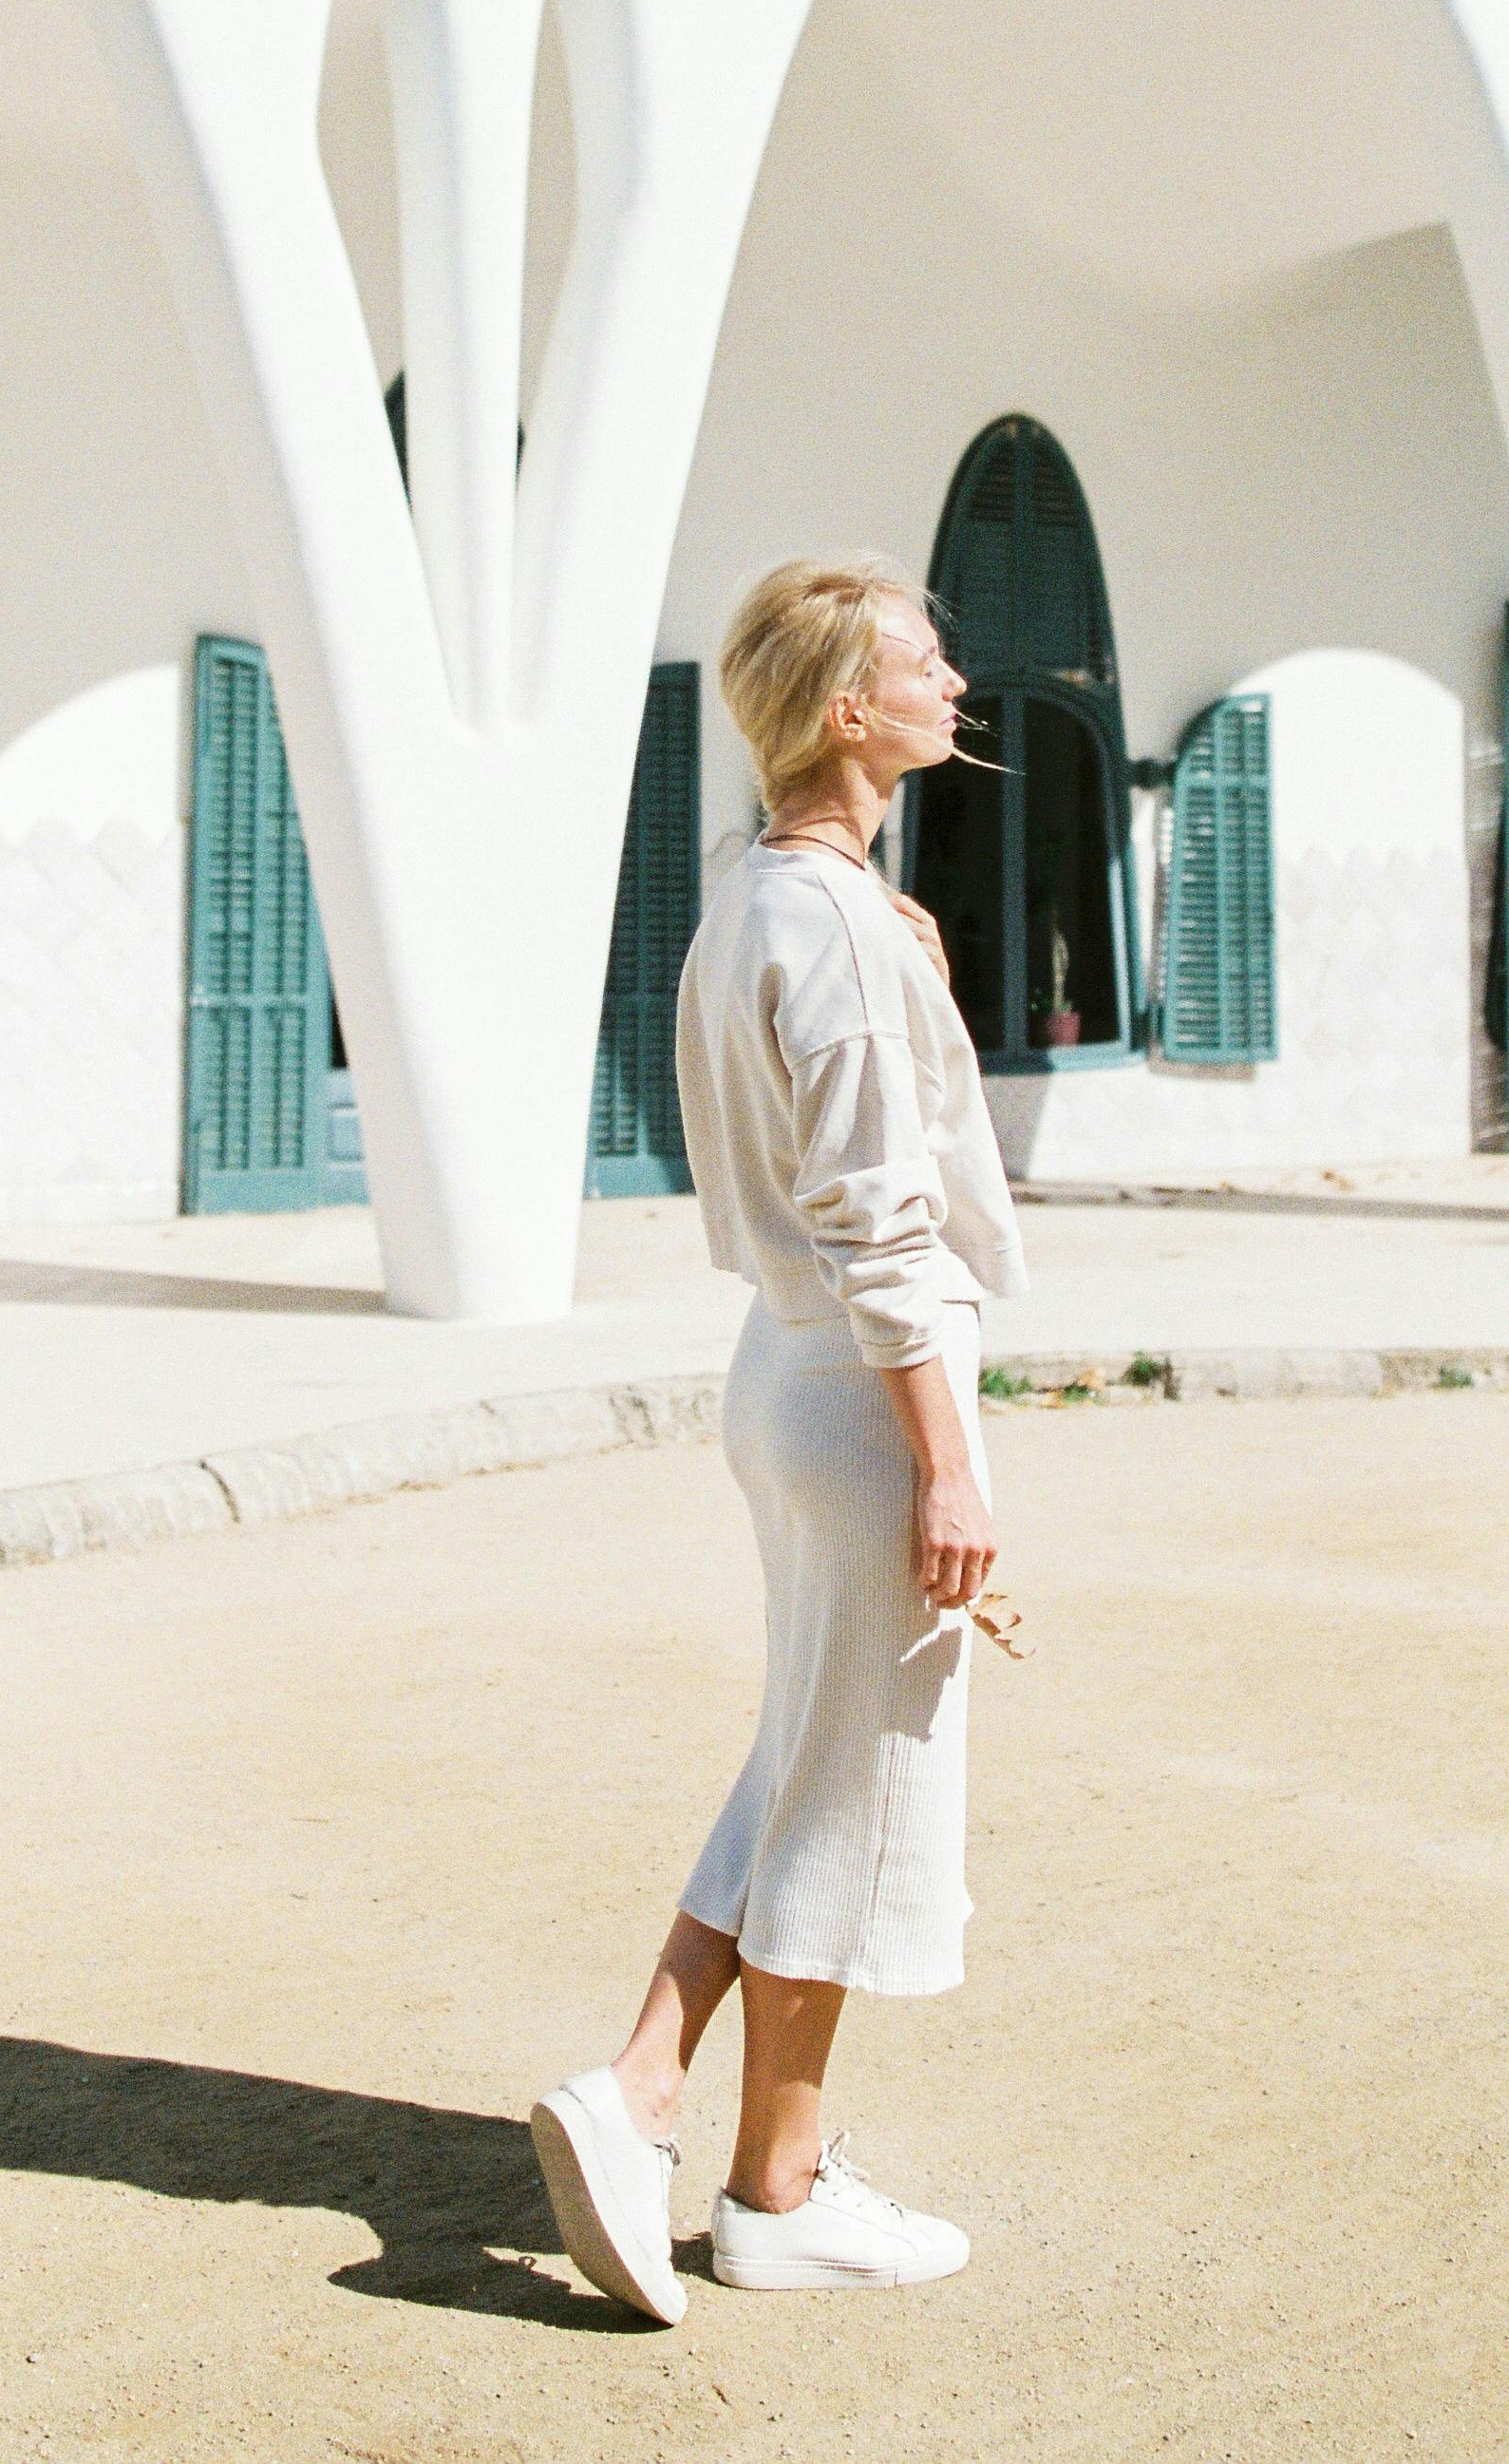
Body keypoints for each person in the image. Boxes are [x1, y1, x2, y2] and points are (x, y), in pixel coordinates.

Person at [530, 554, 1028, 2319]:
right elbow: (879, 1219)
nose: (952, 682)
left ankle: (746, 2157)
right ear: (845, 707)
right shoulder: (832, 928)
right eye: (922, 660)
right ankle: (689, 2127)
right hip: (867, 1389)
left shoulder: (761, 899)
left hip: (792, 1372)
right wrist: (946, 1459)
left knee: (813, 1766)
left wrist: (916, 971)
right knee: (850, 1784)